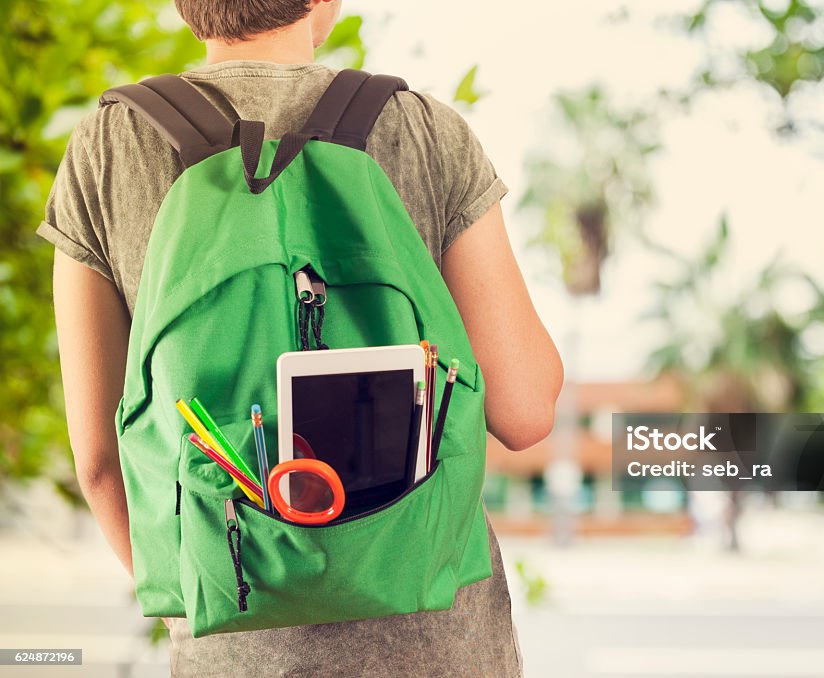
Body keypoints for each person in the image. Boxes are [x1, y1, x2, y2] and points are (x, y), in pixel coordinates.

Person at [37, 1, 564, 675]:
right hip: (437, 648)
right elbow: (525, 411)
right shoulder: (423, 130)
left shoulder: (109, 147)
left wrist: (208, 595)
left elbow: (100, 464)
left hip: (235, 650)